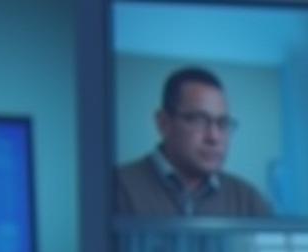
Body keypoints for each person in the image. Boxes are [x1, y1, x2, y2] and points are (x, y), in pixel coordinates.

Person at [116, 67, 271, 217]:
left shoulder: (247, 200)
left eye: (223, 123)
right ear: (163, 123)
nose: (214, 137)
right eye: (199, 120)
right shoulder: (118, 187)